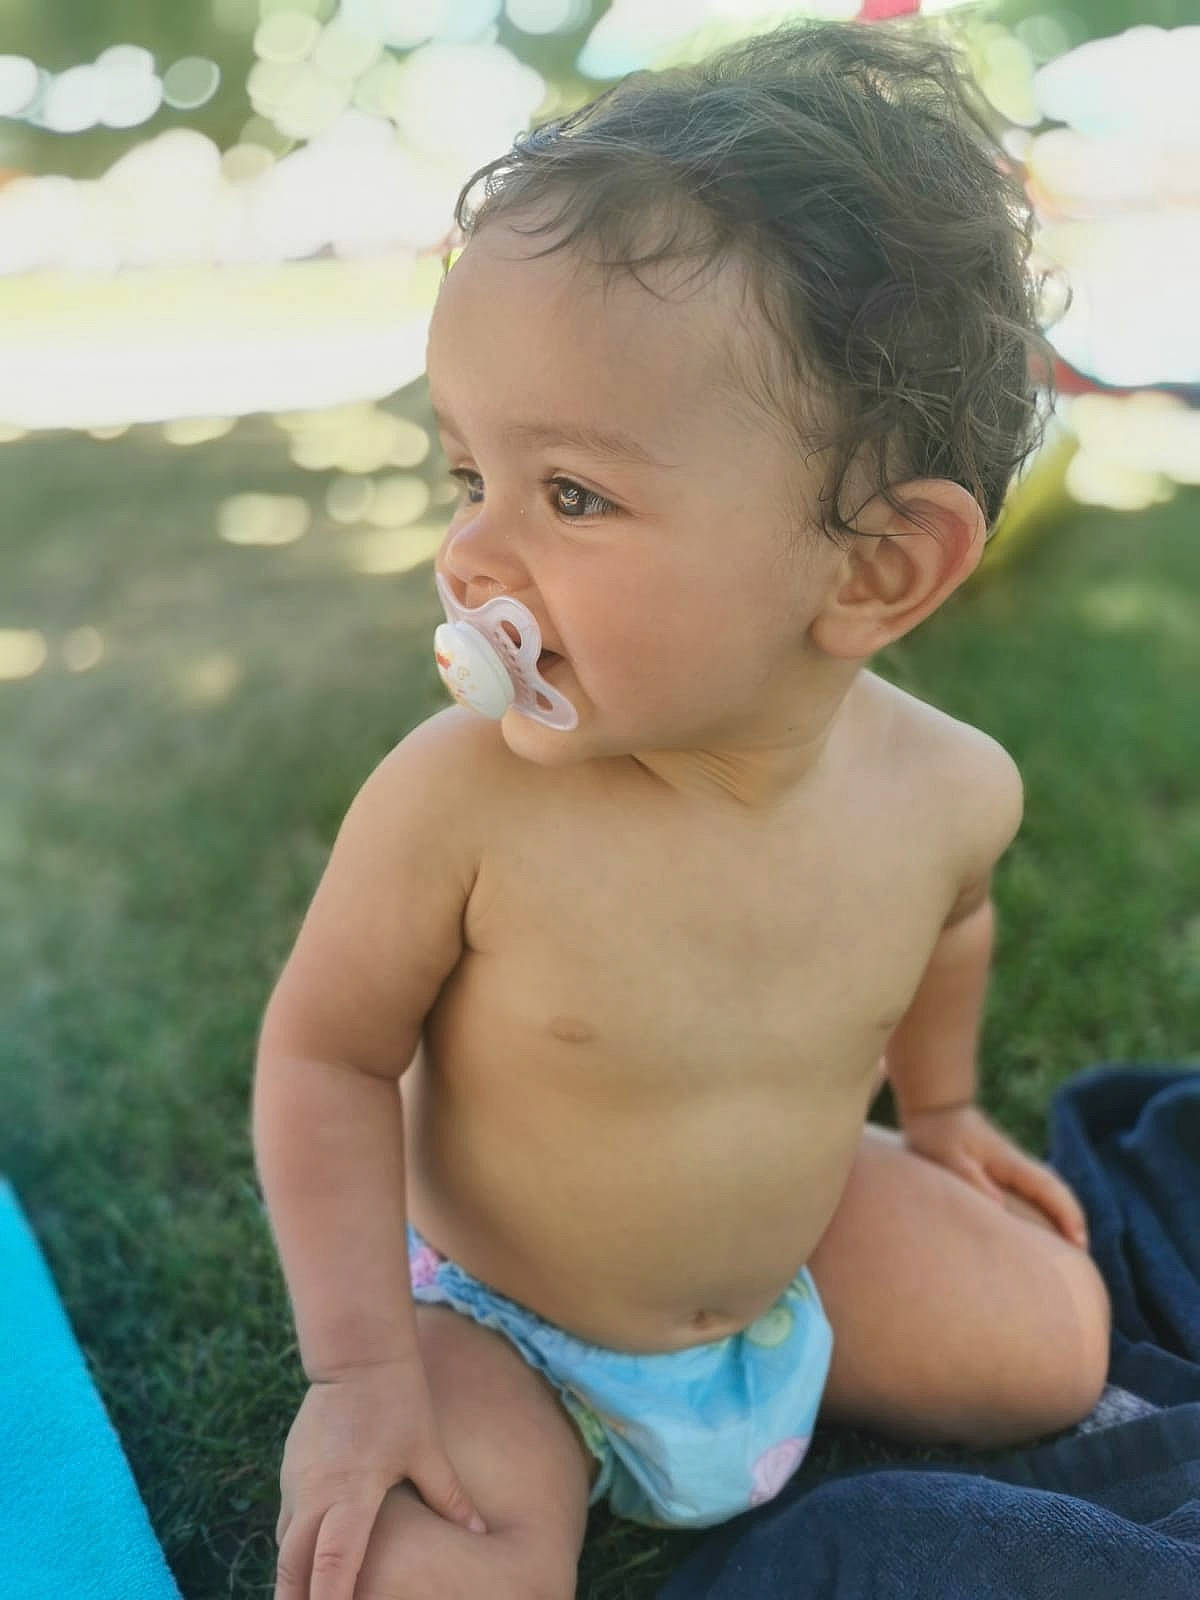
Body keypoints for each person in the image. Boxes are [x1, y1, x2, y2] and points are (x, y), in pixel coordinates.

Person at [252, 18, 1110, 1600]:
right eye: (468, 478)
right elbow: (324, 1053)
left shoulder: (949, 793)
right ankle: (497, 1437)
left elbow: (953, 926)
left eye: (570, 495)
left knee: (1060, 1339)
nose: (473, 557)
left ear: (873, 570)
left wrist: (937, 1113)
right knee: (414, 1576)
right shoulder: (460, 804)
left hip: (789, 1257)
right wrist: (361, 1370)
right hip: (506, 1318)